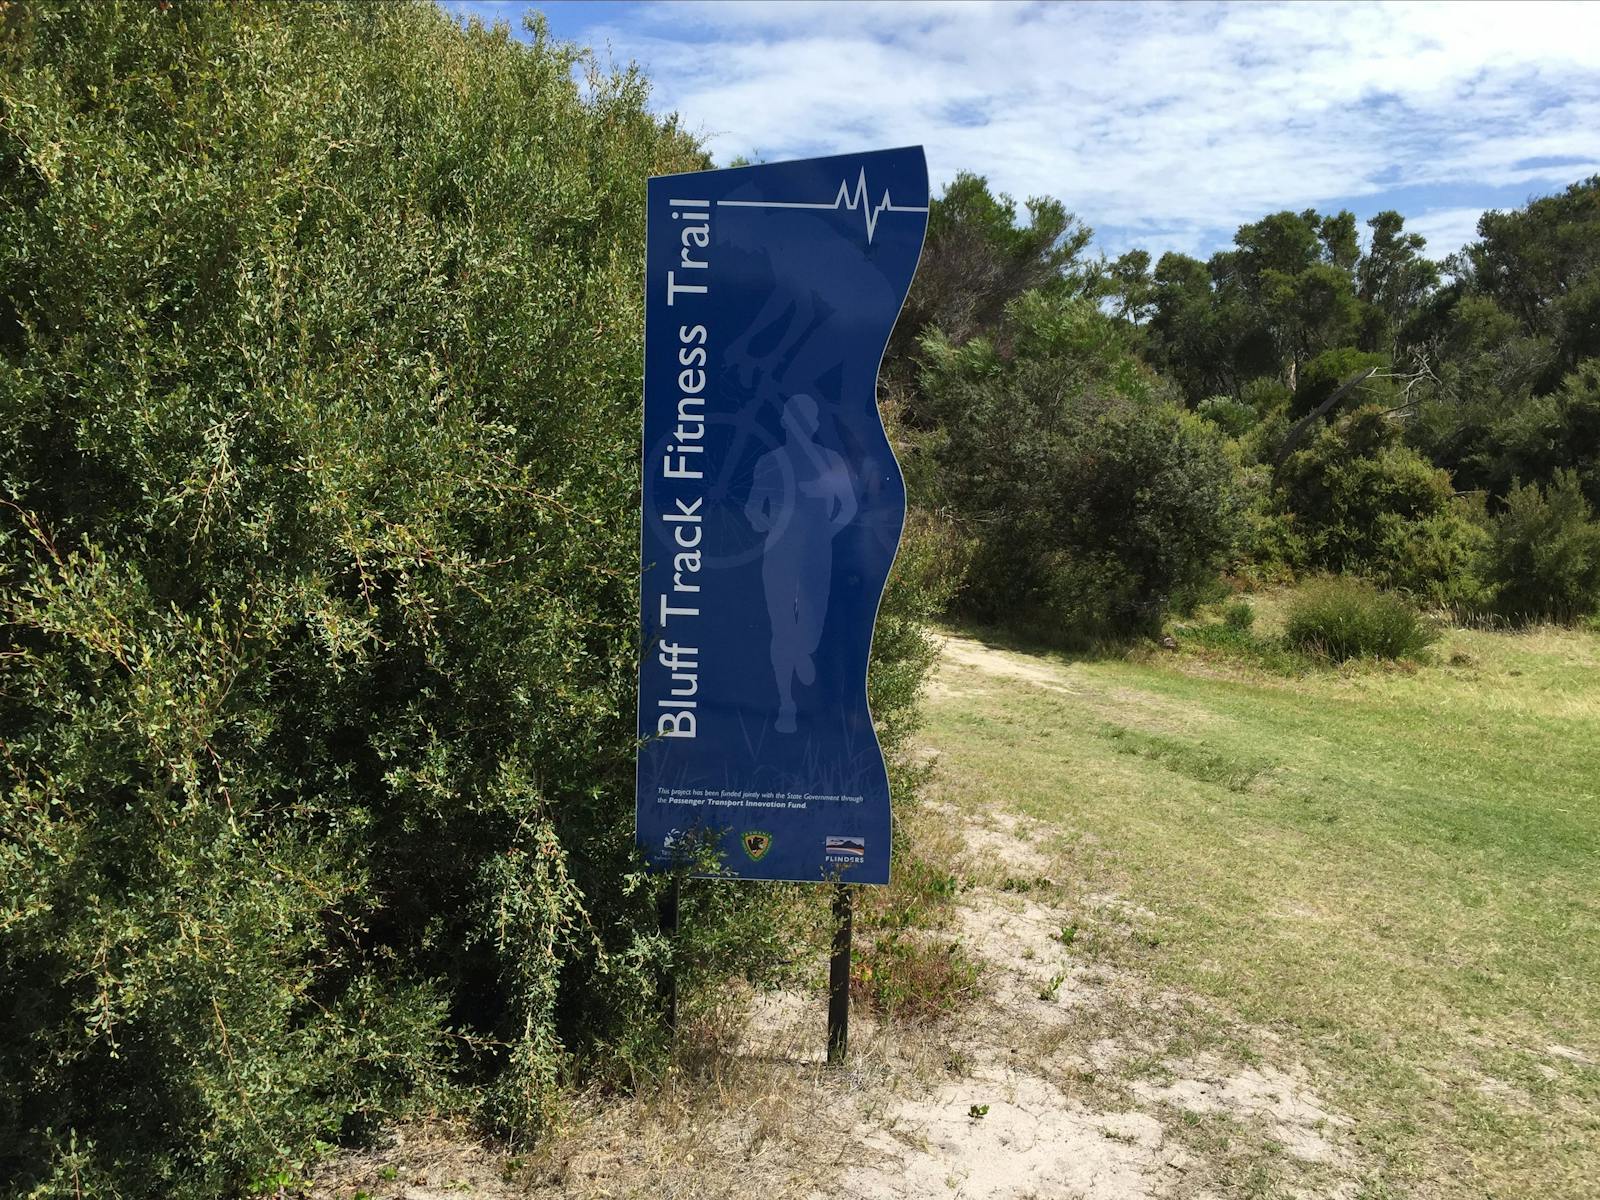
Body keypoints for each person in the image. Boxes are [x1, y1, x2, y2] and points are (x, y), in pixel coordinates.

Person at [744, 394, 857, 732]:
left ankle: (801, 649)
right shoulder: (768, 462)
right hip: (777, 552)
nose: (800, 425)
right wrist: (761, 522)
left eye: (806, 419)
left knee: (809, 629)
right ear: (784, 422)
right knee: (780, 626)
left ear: (815, 424)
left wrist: (826, 534)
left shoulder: (831, 460)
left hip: (817, 554)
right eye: (794, 418)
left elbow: (848, 508)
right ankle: (786, 705)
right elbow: (752, 508)